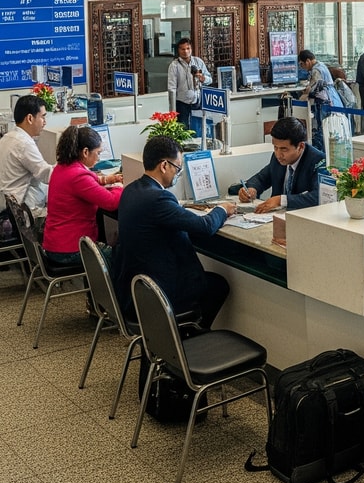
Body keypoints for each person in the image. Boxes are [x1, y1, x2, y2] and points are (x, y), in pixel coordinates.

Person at [111, 136, 235, 329]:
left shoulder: (131, 190)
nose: (178, 174)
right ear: (164, 165)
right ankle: (192, 337)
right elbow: (205, 227)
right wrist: (222, 209)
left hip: (135, 288)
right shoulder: (159, 198)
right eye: (177, 168)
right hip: (161, 291)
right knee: (217, 286)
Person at [41, 126, 123, 268]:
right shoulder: (78, 177)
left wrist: (107, 180)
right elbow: (111, 202)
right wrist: (122, 188)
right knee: (122, 256)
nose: (99, 157)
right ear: (85, 152)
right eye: (98, 153)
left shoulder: (63, 167)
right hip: (70, 250)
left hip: (56, 244)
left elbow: (89, 180)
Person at [237, 118, 325, 213]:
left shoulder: (319, 161)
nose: (278, 154)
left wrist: (281, 200)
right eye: (275, 147)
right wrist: (251, 189)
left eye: (284, 149)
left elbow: (319, 197)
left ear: (301, 146)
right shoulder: (278, 159)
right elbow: (261, 178)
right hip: (275, 218)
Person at [0, 95, 54, 207]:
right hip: (18, 206)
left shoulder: (8, 137)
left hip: (7, 202)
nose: (45, 122)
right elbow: (46, 175)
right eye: (43, 117)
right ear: (30, 118)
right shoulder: (24, 143)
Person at [168, 37, 210, 134]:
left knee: (199, 129)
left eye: (188, 48)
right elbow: (172, 88)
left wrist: (203, 78)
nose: (186, 51)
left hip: (198, 102)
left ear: (191, 49)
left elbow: (209, 79)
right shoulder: (174, 66)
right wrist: (172, 111)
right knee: (183, 131)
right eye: (183, 49)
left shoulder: (198, 62)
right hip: (182, 104)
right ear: (178, 50)